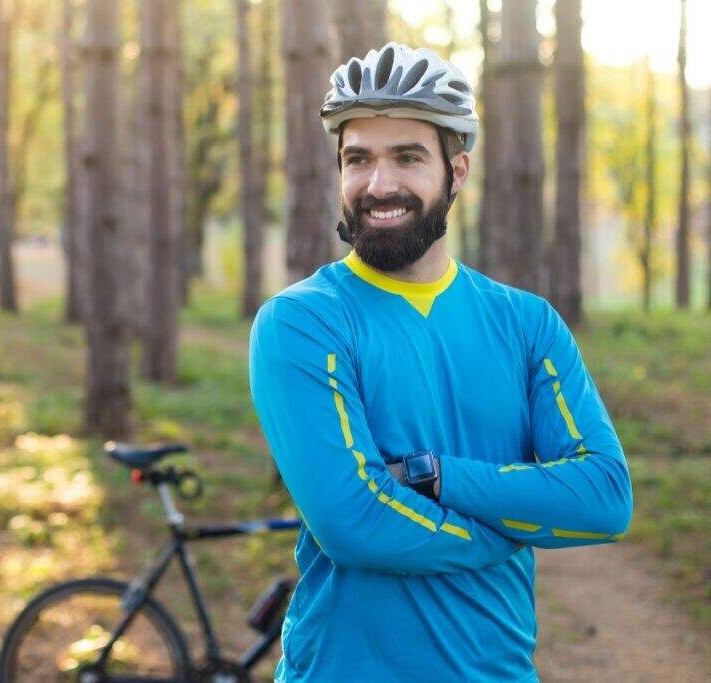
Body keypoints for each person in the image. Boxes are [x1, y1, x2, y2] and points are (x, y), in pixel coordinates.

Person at [248, 42, 633, 682]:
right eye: (358, 160)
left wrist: (435, 477)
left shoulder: (526, 323)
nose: (379, 185)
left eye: (408, 157)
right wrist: (512, 529)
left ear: (457, 171)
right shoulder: (302, 321)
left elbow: (603, 496)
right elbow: (355, 524)